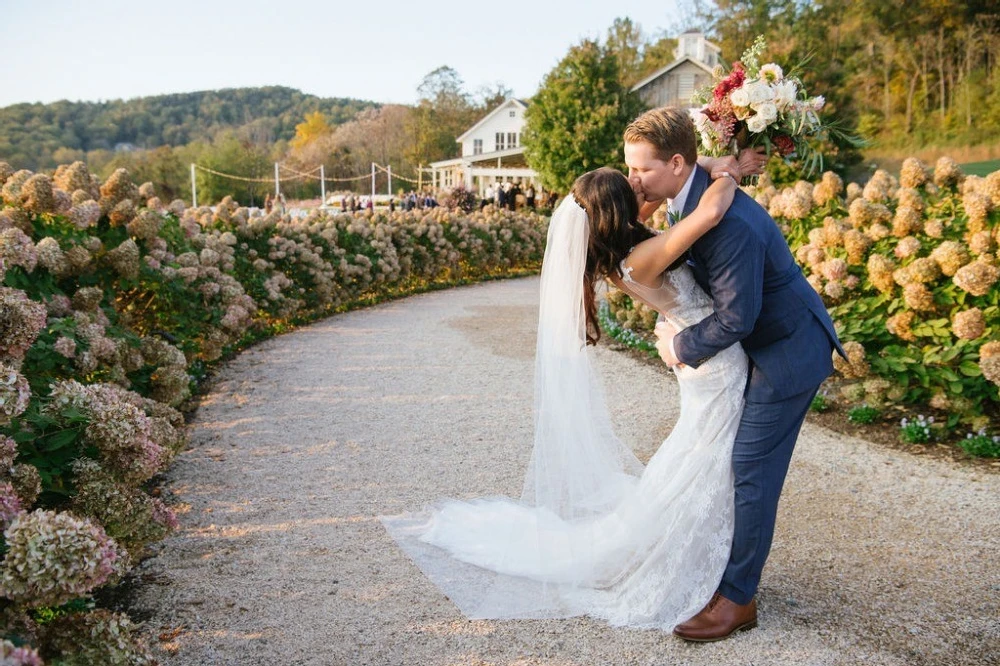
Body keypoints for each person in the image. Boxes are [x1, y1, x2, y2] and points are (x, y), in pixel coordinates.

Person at [381, 165, 747, 631]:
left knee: (698, 457)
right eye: (630, 184)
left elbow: (656, 202)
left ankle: (704, 553)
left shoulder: (624, 254)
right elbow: (712, 209)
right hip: (713, 369)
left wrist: (691, 169)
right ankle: (699, 561)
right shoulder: (643, 257)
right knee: (704, 457)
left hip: (703, 364)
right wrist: (727, 171)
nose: (640, 184)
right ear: (617, 213)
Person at [623, 106, 844, 641]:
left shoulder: (727, 225)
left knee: (749, 467)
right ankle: (720, 571)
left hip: (786, 350)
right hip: (756, 347)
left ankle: (737, 600)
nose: (634, 181)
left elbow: (737, 318)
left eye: (642, 170)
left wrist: (679, 345)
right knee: (730, 460)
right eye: (628, 171)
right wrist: (730, 168)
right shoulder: (688, 194)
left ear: (677, 164)